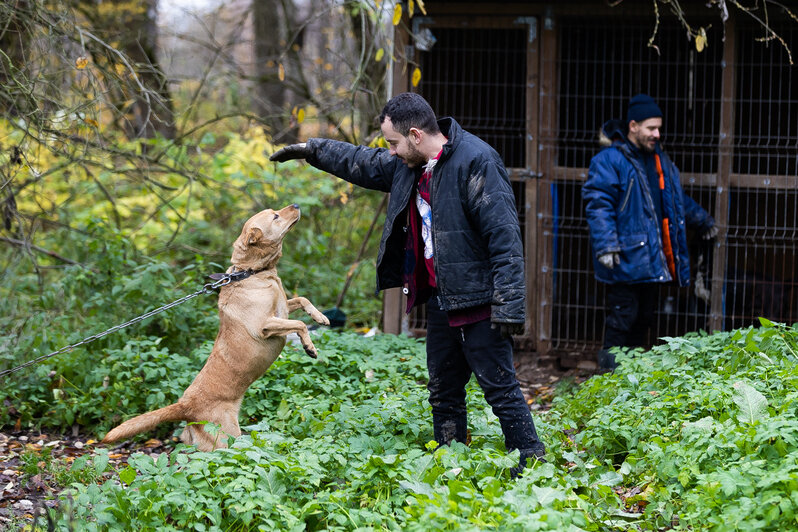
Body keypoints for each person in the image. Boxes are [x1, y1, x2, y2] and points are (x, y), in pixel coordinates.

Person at [270, 92, 545, 475]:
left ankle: (532, 465)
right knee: (443, 393)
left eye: (394, 143)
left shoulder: (477, 160)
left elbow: (504, 237)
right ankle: (449, 466)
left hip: (478, 300)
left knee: (500, 389)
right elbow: (361, 161)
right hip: (439, 299)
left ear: (415, 135)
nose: (391, 152)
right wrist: (311, 150)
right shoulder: (408, 166)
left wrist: (509, 304)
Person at [582, 94, 718, 370]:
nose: (657, 133)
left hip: (651, 257)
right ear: (633, 126)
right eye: (651, 128)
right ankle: (609, 378)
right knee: (622, 318)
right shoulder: (610, 159)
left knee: (643, 318)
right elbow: (598, 203)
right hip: (626, 257)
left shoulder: (659, 160)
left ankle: (629, 376)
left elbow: (674, 201)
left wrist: (703, 220)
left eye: (658, 128)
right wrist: (606, 245)